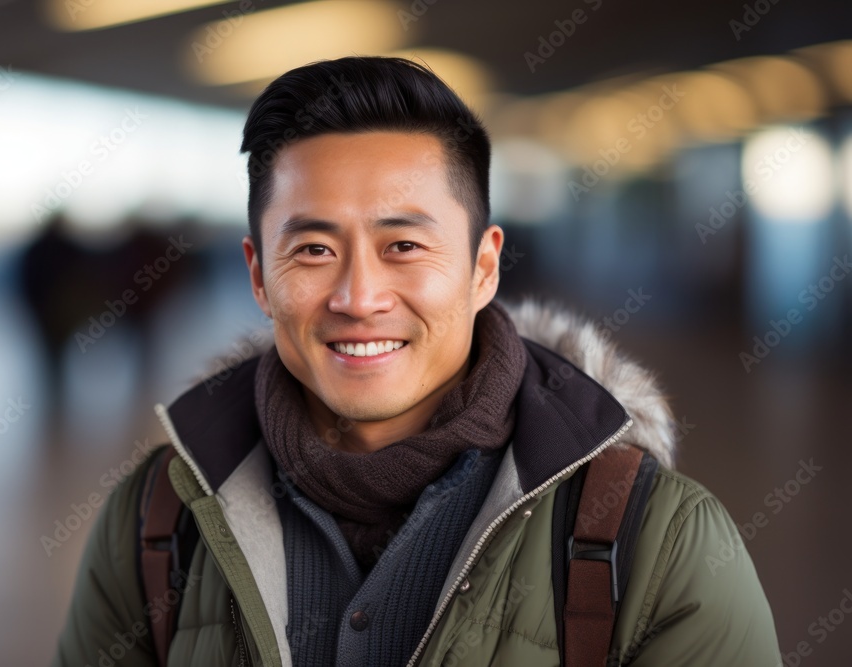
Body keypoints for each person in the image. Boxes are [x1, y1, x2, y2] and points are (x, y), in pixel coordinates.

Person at [51, 56, 779, 666]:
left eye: (404, 245)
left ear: (483, 266)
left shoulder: (658, 545)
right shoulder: (155, 523)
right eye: (313, 249)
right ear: (258, 277)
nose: (359, 296)